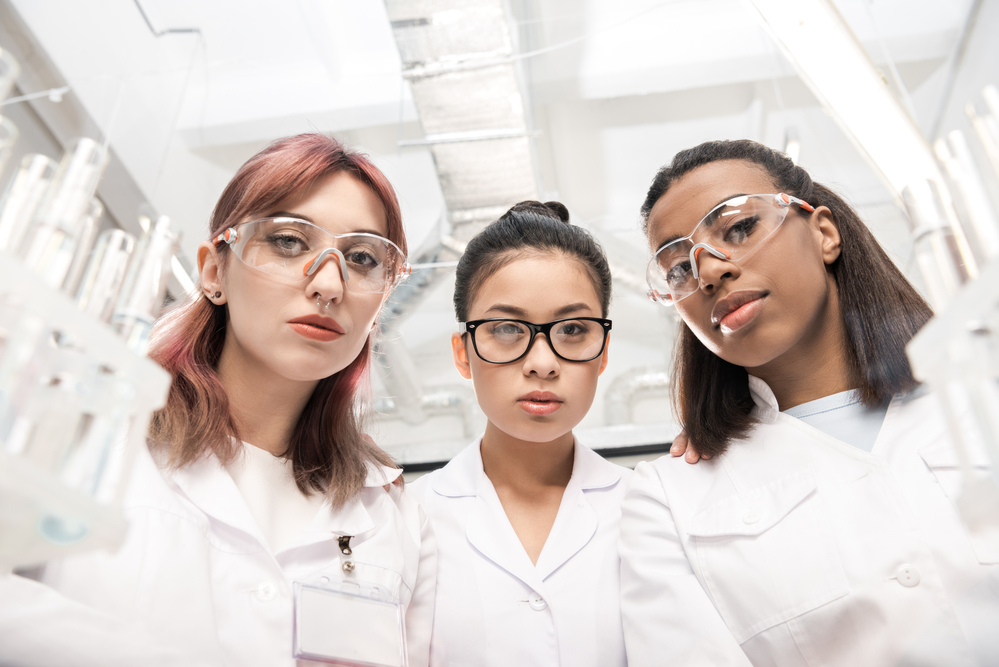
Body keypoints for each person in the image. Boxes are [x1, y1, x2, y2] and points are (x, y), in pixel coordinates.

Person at [1, 133, 435, 667]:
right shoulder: (82, 422)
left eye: (363, 257)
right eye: (288, 241)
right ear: (213, 271)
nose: (328, 284)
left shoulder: (391, 514)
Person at [619, 139, 999, 666]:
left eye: (738, 228)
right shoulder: (669, 500)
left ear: (823, 233)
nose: (709, 272)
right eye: (680, 267)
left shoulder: (983, 395)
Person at [410, 201, 630, 667]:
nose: (543, 362)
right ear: (463, 354)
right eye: (508, 328)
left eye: (572, 329)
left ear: (604, 352)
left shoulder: (649, 509)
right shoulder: (405, 518)